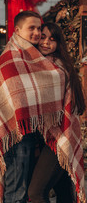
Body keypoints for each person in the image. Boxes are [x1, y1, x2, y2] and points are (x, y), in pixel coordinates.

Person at [0, 11, 86, 203]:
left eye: (40, 29)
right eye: (34, 29)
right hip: (18, 135)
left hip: (58, 135)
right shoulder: (13, 59)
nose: (41, 37)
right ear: (17, 30)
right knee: (28, 191)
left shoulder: (54, 66)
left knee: (44, 191)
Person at [28, 22, 86, 203]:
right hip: (55, 137)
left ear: (58, 43)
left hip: (60, 136)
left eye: (52, 40)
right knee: (63, 191)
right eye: (42, 37)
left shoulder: (55, 68)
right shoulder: (52, 64)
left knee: (36, 193)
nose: (46, 43)